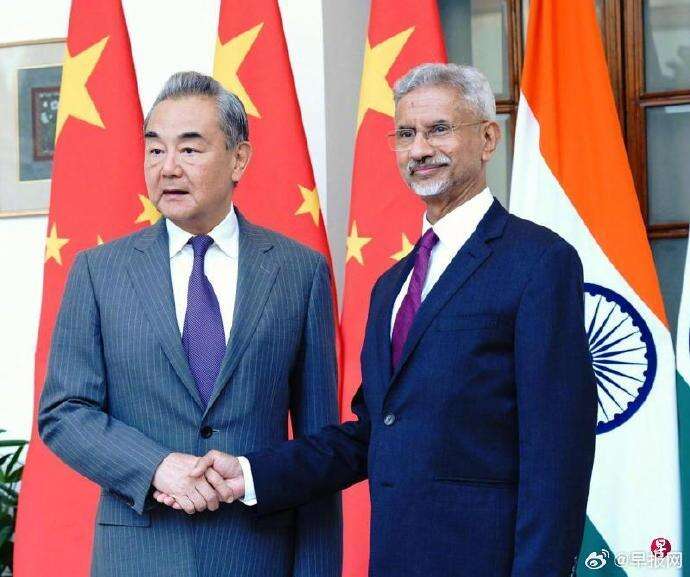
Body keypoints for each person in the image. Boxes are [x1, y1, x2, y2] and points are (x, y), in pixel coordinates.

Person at [158, 63, 598, 577]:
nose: (419, 149)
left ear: (487, 139)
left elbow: (557, 452)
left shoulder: (539, 261)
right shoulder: (393, 285)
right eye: (405, 134)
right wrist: (251, 474)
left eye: (439, 129)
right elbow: (374, 433)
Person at [38, 71, 341, 577]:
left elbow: (319, 451)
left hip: (257, 555)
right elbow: (64, 411)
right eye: (155, 150)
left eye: (190, 149)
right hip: (138, 556)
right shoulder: (99, 272)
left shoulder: (298, 272)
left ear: (238, 159)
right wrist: (156, 466)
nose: (168, 168)